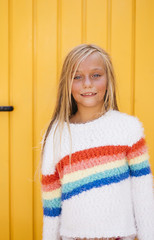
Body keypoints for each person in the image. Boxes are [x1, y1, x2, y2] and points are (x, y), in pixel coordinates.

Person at [40, 44, 154, 240]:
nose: (87, 83)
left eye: (96, 75)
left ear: (108, 80)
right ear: (66, 84)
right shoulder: (55, 136)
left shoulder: (128, 128)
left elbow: (143, 195)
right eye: (77, 77)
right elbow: (51, 205)